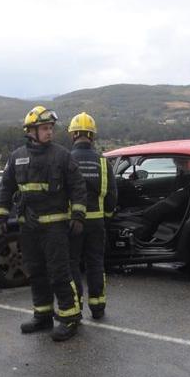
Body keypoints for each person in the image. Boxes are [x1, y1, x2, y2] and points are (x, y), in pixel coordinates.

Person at [0, 106, 87, 341]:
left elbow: (78, 187)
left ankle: (70, 318)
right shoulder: (17, 157)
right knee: (35, 273)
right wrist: (1, 216)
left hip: (55, 229)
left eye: (51, 129)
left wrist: (77, 216)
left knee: (59, 273)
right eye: (45, 128)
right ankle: (42, 316)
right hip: (29, 228)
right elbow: (6, 188)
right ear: (31, 131)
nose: (50, 133)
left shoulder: (62, 155)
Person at [67, 112, 117, 319]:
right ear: (92, 136)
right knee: (95, 263)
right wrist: (107, 215)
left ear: (73, 135)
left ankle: (74, 306)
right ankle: (98, 307)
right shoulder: (103, 163)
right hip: (96, 222)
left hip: (72, 223)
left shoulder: (66, 160)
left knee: (72, 264)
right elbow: (111, 193)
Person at [133, 157, 190, 242]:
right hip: (176, 203)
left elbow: (179, 196)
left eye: (178, 162)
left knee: (150, 213)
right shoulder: (186, 175)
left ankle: (142, 240)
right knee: (150, 208)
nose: (176, 164)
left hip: (177, 206)